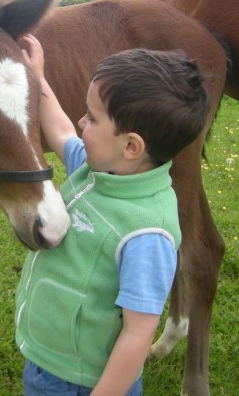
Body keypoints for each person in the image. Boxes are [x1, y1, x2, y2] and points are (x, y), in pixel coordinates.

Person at [15, 34, 210, 396]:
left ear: (131, 146)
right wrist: (38, 78)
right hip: (48, 362)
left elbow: (138, 333)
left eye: (92, 117)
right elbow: (58, 128)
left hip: (79, 383)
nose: (80, 122)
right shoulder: (94, 169)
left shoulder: (146, 233)